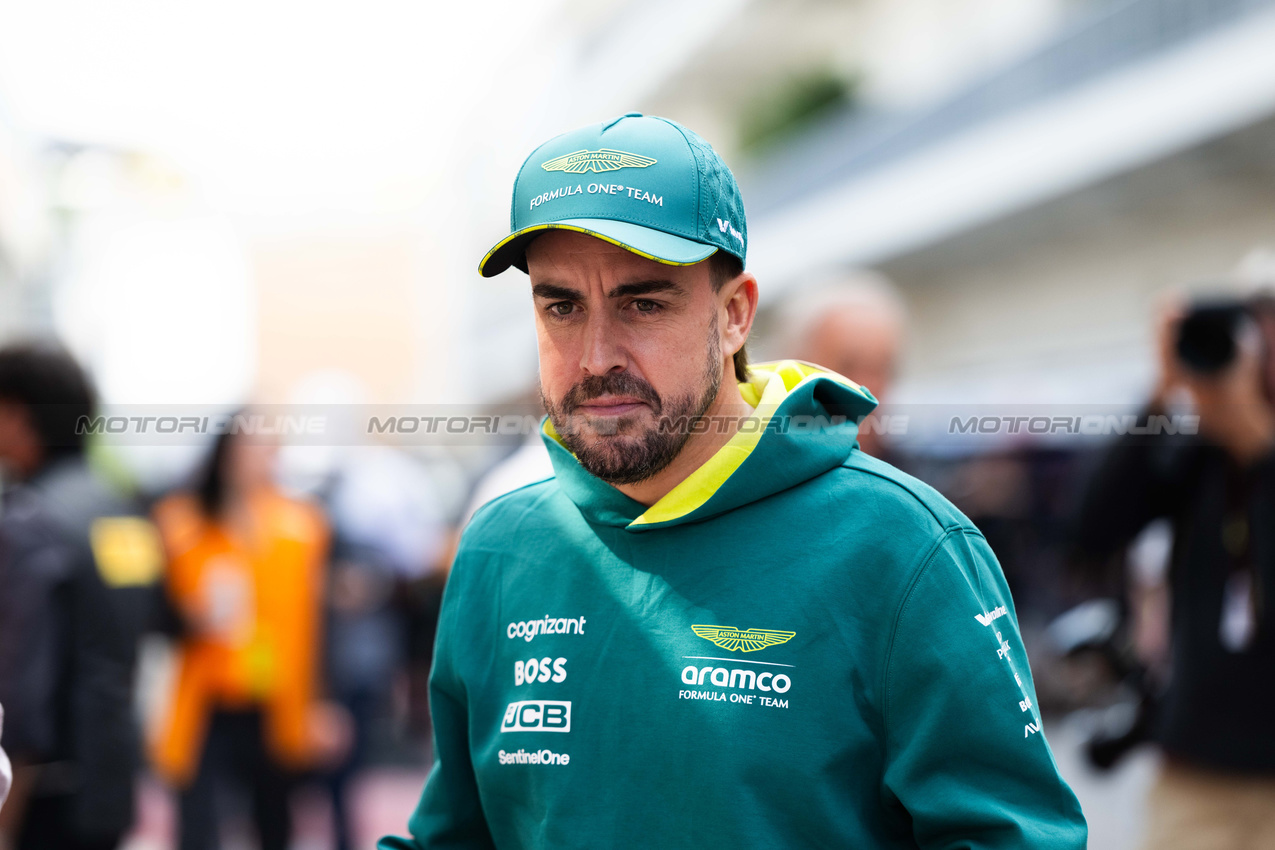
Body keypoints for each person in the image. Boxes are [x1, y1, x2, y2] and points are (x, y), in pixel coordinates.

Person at [380, 113, 1086, 849]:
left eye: (642, 303)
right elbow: (453, 836)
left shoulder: (905, 547)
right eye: (561, 306)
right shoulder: (500, 545)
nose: (593, 357)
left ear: (735, 316)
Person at [1073, 286, 1275, 849]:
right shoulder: (1198, 462)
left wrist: (1258, 446)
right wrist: (1160, 396)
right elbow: (1092, 533)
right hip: (1196, 769)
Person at [0, 342, 162, 850]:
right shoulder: (124, 511)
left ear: (21, 415)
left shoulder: (30, 520)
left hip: (41, 785)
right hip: (112, 768)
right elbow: (146, 622)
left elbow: (21, 674)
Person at [151, 421, 341, 850]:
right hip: (206, 695)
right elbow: (154, 612)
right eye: (252, 446)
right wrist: (188, 617)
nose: (262, 457)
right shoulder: (182, 521)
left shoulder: (302, 525)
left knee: (275, 819)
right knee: (198, 823)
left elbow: (321, 621)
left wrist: (324, 700)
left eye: (269, 447)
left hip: (274, 695)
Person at [774, 269, 907, 458]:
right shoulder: (765, 468)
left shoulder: (916, 478)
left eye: (881, 369)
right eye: (848, 367)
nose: (868, 389)